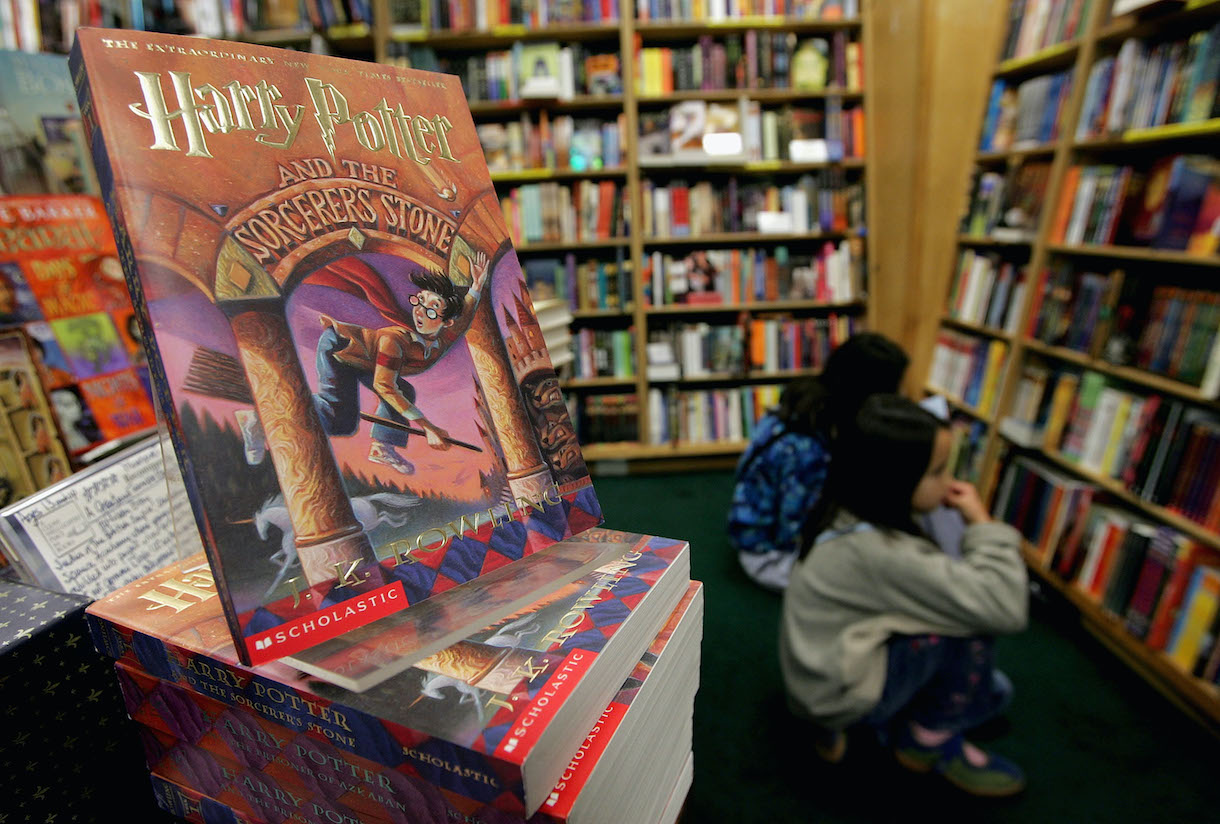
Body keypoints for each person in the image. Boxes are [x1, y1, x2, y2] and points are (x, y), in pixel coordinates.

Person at [779, 394, 1028, 797]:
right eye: (938, 471)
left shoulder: (844, 508)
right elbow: (1004, 606)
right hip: (839, 692)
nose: (950, 483)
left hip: (820, 676)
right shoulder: (883, 551)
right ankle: (925, 742)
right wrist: (982, 524)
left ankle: (837, 727)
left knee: (994, 690)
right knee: (972, 635)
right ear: (894, 478)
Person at [238, 252, 488, 475]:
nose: (420, 312)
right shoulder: (396, 340)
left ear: (447, 322)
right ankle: (261, 416)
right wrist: (428, 427)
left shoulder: (443, 339)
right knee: (340, 421)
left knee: (406, 392)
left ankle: (381, 446)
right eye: (419, 301)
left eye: (432, 309)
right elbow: (385, 386)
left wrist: (476, 286)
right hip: (339, 349)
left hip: (363, 360)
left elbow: (464, 315)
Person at [727, 331, 909, 591]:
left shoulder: (804, 403)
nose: (903, 396)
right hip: (769, 556)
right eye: (896, 389)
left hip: (756, 528)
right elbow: (795, 530)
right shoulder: (809, 449)